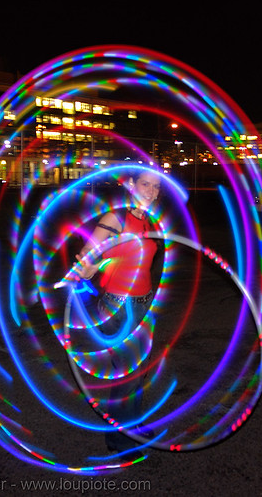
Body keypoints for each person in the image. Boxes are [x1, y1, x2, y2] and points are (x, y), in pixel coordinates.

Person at [74, 168, 161, 458]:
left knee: (138, 371)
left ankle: (132, 425)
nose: (151, 190)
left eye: (156, 186)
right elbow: (90, 255)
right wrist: (88, 267)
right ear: (132, 184)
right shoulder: (117, 218)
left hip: (143, 303)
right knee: (127, 374)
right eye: (145, 184)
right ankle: (119, 440)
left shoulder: (148, 221)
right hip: (119, 306)